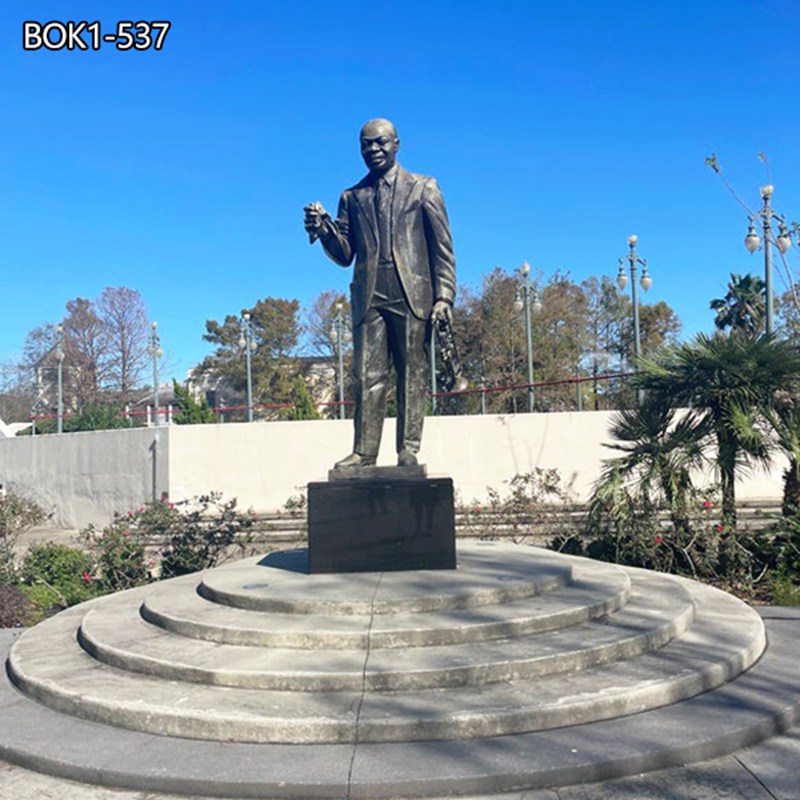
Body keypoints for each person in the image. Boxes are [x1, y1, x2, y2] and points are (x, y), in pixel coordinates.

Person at [304, 118, 456, 469]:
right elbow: (344, 255)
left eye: (380, 142)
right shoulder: (351, 197)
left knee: (411, 373)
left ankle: (408, 448)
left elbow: (443, 249)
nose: (372, 150)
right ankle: (364, 451)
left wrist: (444, 296)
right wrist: (325, 231)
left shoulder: (424, 188)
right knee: (367, 376)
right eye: (365, 145)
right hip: (370, 294)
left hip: (412, 293)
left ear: (397, 144)